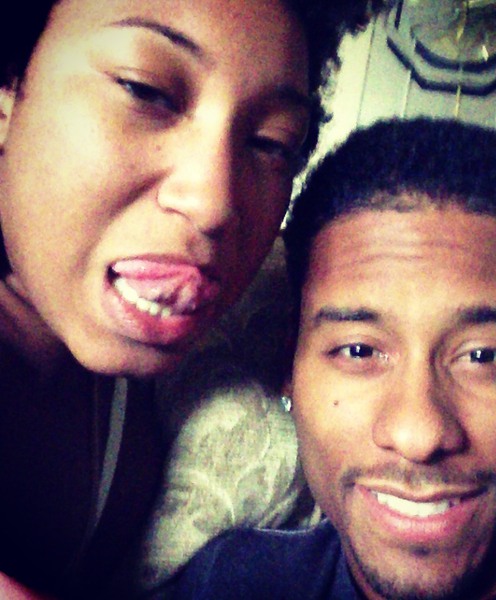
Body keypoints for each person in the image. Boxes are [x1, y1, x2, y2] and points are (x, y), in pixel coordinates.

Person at [0, 0, 386, 597]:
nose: (215, 202)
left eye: (272, 142)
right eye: (145, 90)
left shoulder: (129, 414)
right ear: (8, 93)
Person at [173, 117, 496, 599]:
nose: (419, 436)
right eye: (359, 350)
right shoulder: (234, 581)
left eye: (482, 356)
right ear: (290, 366)